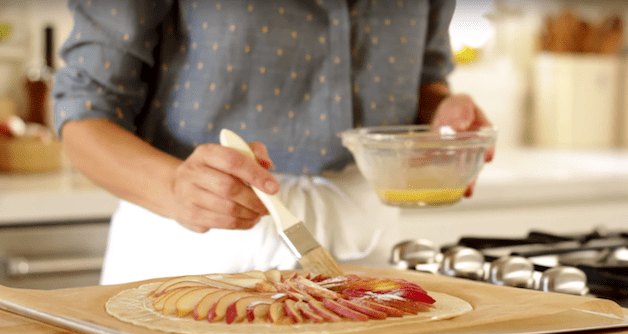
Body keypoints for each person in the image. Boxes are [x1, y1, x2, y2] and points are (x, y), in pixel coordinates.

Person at [53, 0, 494, 285]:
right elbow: (83, 112)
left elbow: (424, 78)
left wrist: (441, 114)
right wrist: (175, 187)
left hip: (368, 255)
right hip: (194, 256)